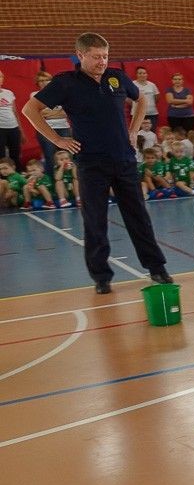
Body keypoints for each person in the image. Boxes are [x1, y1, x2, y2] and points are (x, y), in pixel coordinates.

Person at [22, 32, 171, 293]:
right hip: (91, 164)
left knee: (138, 217)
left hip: (124, 159)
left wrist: (134, 131)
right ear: (80, 55)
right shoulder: (65, 83)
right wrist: (58, 139)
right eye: (96, 57)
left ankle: (157, 268)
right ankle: (101, 277)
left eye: (105, 56)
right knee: (95, 220)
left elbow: (141, 99)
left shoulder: (117, 76)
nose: (102, 61)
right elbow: (29, 109)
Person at [31, 71, 72, 174]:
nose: (44, 82)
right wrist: (56, 112)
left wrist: (48, 113)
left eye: (46, 80)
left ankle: (69, 180)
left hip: (63, 127)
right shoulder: (34, 95)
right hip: (45, 128)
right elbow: (36, 113)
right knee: (49, 156)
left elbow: (66, 112)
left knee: (67, 155)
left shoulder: (61, 93)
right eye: (41, 81)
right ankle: (51, 182)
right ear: (37, 83)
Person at [0, 69, 22, 163]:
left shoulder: (8, 93)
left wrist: (20, 129)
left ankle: (17, 174)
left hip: (13, 127)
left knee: (15, 153)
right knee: (1, 155)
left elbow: (15, 112)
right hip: (1, 128)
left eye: (0, 77)